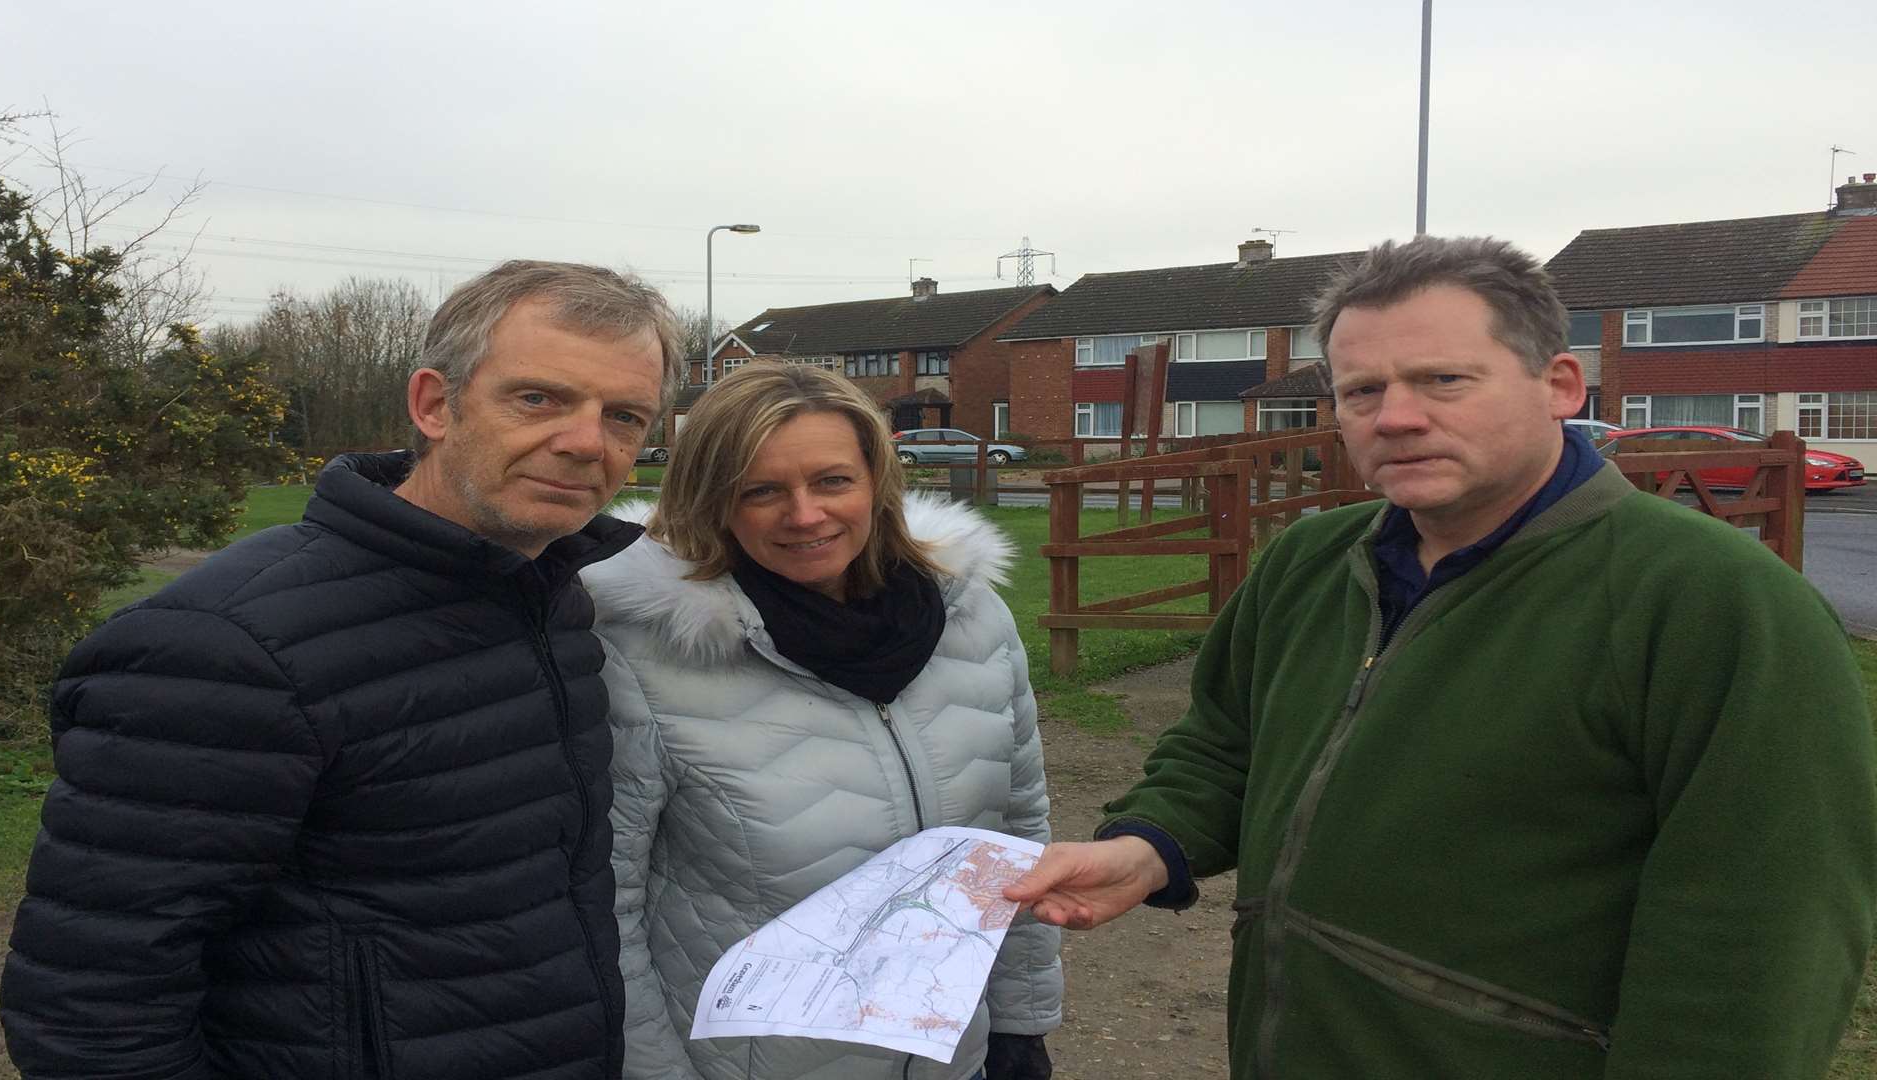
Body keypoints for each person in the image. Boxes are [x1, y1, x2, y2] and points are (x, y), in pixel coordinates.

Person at [1005, 235, 1876, 1079]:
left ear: (1559, 384)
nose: (1396, 417)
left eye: (1442, 381)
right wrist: (1149, 847)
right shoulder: (1313, 563)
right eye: (1361, 391)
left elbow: (1758, 944)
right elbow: (1224, 744)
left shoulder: (1717, 605)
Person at [0, 260, 684, 1079]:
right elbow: (92, 1010)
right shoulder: (226, 648)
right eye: (538, 398)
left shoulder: (555, 604)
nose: (584, 442)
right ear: (434, 404)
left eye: (624, 416)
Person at [583, 363, 1062, 1080]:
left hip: (948, 1057)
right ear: (713, 501)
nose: (805, 515)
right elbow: (606, 903)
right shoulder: (646, 656)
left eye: (832, 481)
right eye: (763, 490)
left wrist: (1021, 1022)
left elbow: (1015, 833)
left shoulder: (973, 619)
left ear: (877, 481)